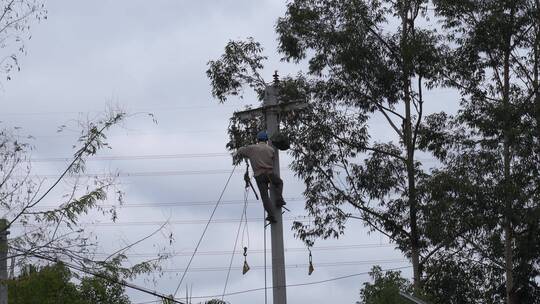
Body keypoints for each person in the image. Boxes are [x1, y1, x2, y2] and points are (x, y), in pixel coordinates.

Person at [235, 131, 286, 223]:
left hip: (259, 176)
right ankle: (279, 199)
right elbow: (273, 160)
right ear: (266, 140)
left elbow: (240, 150)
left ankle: (271, 215)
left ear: (257, 139)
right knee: (279, 182)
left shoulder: (251, 148)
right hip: (269, 174)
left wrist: (246, 149)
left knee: (265, 197)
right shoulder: (271, 150)